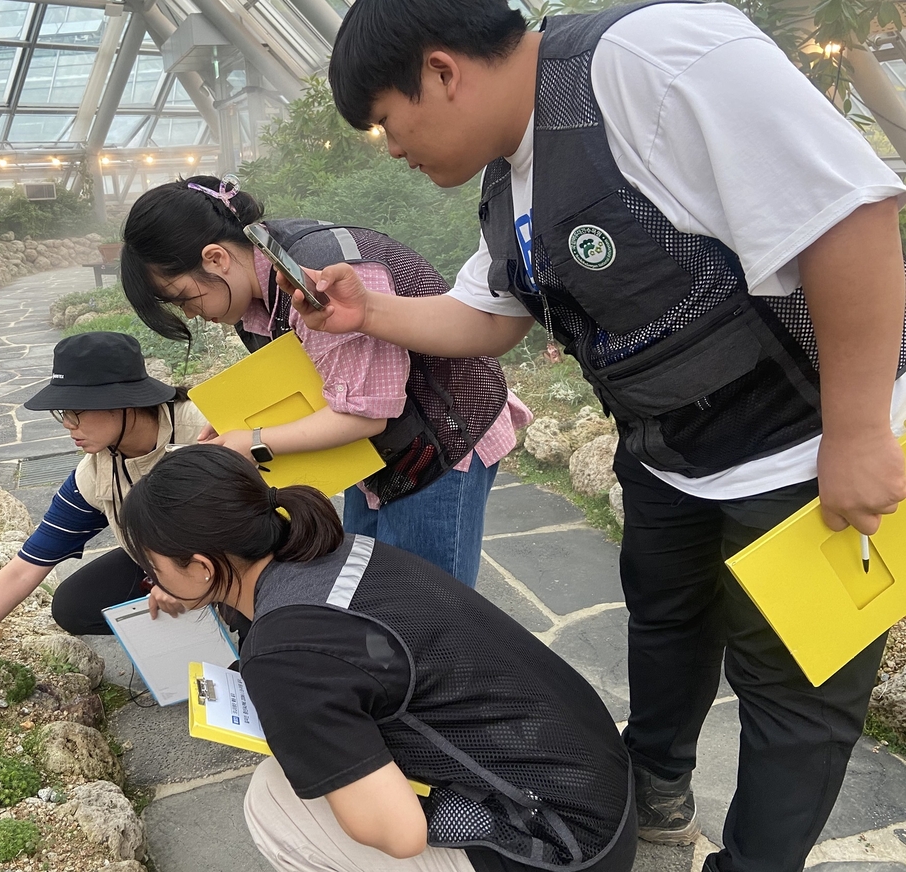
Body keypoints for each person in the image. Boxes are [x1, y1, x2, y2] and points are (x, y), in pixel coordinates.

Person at [303, 1, 906, 869]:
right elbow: (487, 313)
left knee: (794, 697)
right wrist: (371, 312)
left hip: (805, 450)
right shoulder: (513, 172)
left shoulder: (651, 61)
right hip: (674, 455)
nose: (393, 149)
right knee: (665, 625)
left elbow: (849, 215)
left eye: (388, 126)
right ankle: (654, 791)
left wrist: (856, 437)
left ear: (441, 71)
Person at [117, 443, 636, 872]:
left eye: (152, 565)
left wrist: (305, 744)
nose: (151, 578)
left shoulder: (284, 654)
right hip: (602, 798)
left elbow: (401, 834)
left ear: (202, 566)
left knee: (275, 802)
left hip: (562, 850)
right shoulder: (335, 551)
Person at [119, 175, 532, 587]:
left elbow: (364, 417)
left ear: (215, 258)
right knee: (370, 590)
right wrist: (239, 424)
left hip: (443, 435)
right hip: (378, 452)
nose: (189, 314)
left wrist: (254, 440)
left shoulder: (313, 280)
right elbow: (310, 374)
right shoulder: (258, 280)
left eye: (182, 298)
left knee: (429, 606)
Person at [0, 331, 210, 716]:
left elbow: (268, 515)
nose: (68, 425)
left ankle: (233, 626)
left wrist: (189, 579)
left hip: (237, 554)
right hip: (164, 557)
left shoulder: (207, 427)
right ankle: (190, 627)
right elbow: (21, 571)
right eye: (62, 412)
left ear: (120, 402)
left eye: (76, 410)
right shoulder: (95, 475)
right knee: (74, 605)